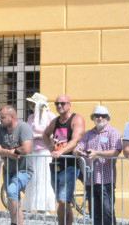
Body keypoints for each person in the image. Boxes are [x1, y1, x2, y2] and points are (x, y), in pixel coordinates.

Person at [74, 105, 121, 225]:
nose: (100, 118)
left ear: (108, 118)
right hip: (90, 180)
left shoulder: (113, 132)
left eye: (103, 116)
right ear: (93, 117)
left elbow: (116, 151)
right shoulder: (88, 134)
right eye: (97, 115)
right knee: (94, 213)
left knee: (107, 212)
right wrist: (79, 152)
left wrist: (97, 153)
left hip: (106, 179)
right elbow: (77, 148)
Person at [44, 94, 85, 225]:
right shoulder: (56, 121)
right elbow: (45, 134)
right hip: (56, 166)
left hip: (71, 166)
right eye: (57, 103)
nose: (59, 106)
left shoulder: (76, 119)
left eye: (62, 103)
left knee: (63, 201)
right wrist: (51, 148)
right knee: (63, 201)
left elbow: (75, 139)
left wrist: (61, 151)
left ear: (69, 104)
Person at [24, 92, 57, 213]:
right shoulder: (31, 118)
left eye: (33, 104)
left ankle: (43, 207)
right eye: (30, 105)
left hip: (45, 152)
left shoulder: (51, 116)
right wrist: (39, 135)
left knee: (44, 179)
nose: (31, 107)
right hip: (33, 152)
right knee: (33, 179)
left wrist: (38, 135)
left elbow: (54, 134)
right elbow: (27, 132)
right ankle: (33, 206)